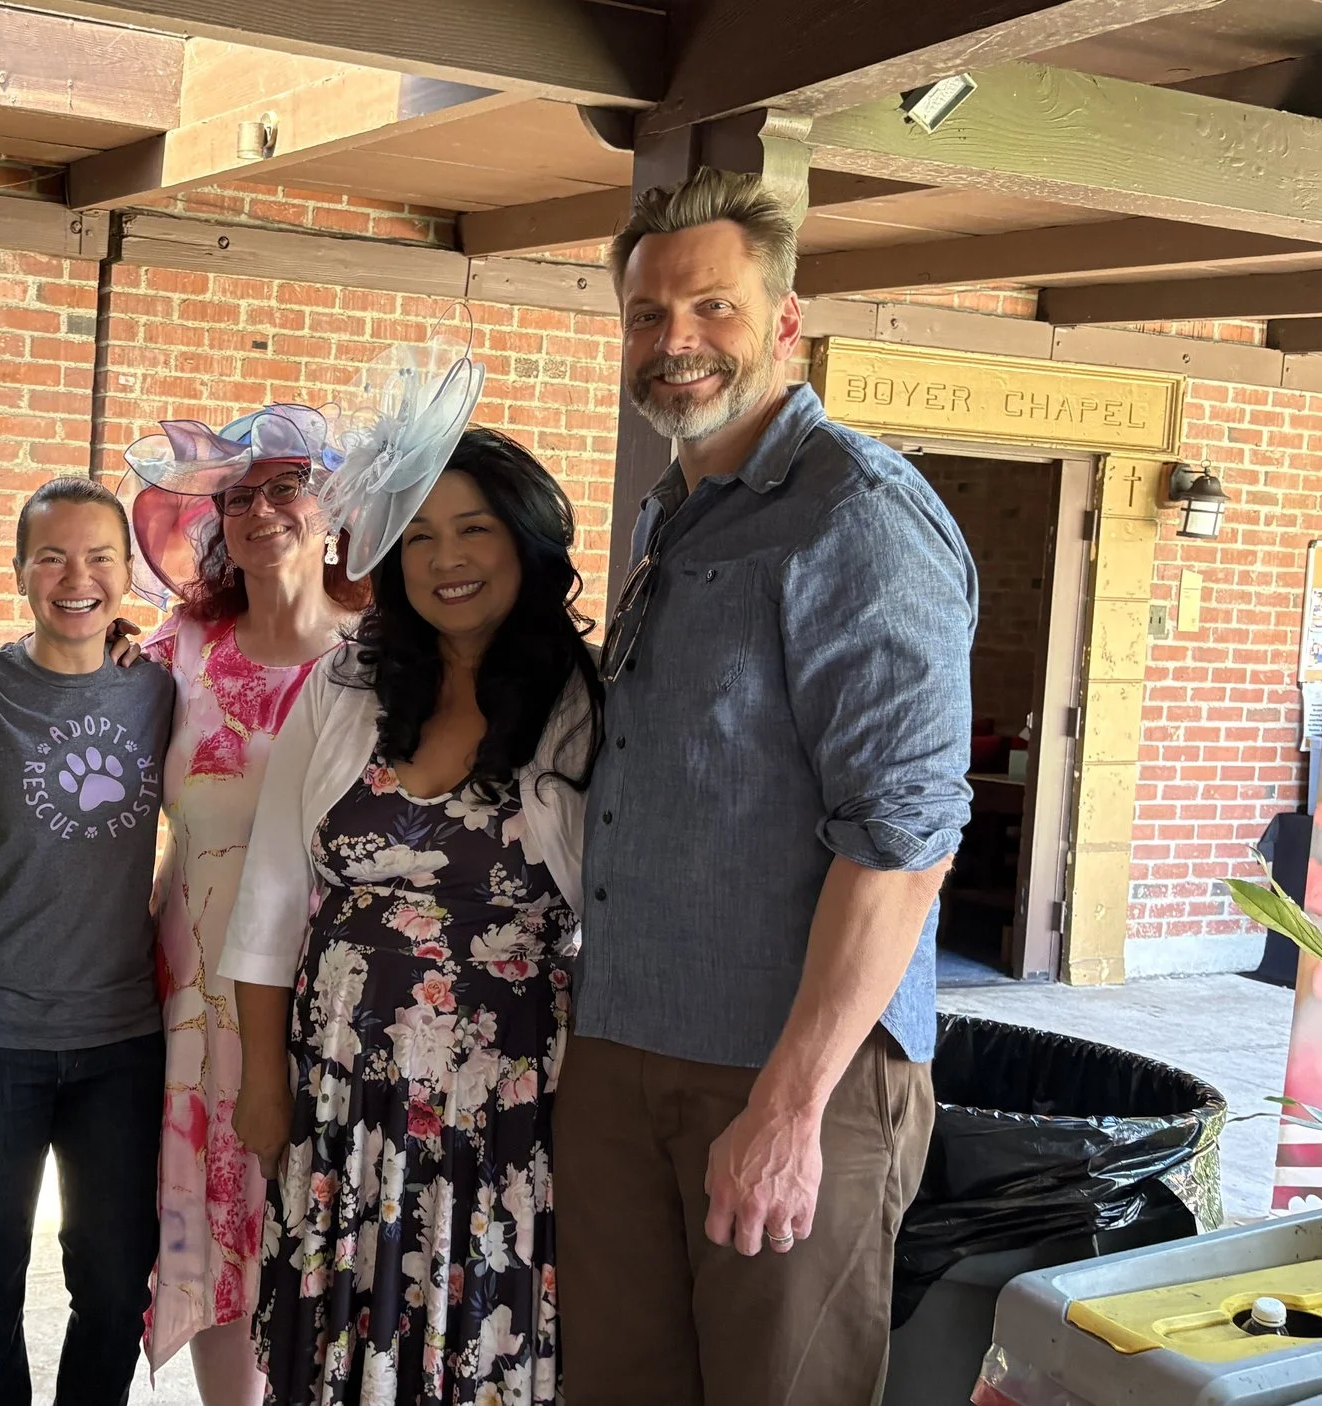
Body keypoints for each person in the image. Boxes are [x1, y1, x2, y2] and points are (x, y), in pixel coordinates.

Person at [556, 167, 976, 1405]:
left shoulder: (856, 514)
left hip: (791, 1069)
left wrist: (790, 1106)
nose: (674, 340)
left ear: (784, 320)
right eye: (646, 315)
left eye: (713, 308)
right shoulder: (673, 512)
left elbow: (904, 840)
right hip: (626, 1041)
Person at [223, 426, 594, 1406]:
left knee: (480, 1327)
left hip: (510, 1096)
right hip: (342, 1084)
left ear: (526, 541)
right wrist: (262, 1080)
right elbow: (270, 895)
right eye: (419, 535)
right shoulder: (345, 683)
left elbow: (617, 913)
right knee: (341, 1334)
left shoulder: (584, 699)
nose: (445, 559)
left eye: (474, 529)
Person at [127, 405, 370, 1401]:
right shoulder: (180, 648)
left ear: (334, 507)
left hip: (332, 996)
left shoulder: (380, 659)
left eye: (288, 486)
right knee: (211, 1228)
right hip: (193, 990)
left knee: (311, 1227)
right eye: (239, 495)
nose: (263, 509)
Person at [0, 477, 176, 1405]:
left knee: (115, 1285)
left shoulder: (161, 690)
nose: (76, 579)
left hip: (121, 1036)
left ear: (128, 573)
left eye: (98, 558)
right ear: (17, 571)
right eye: (51, 557)